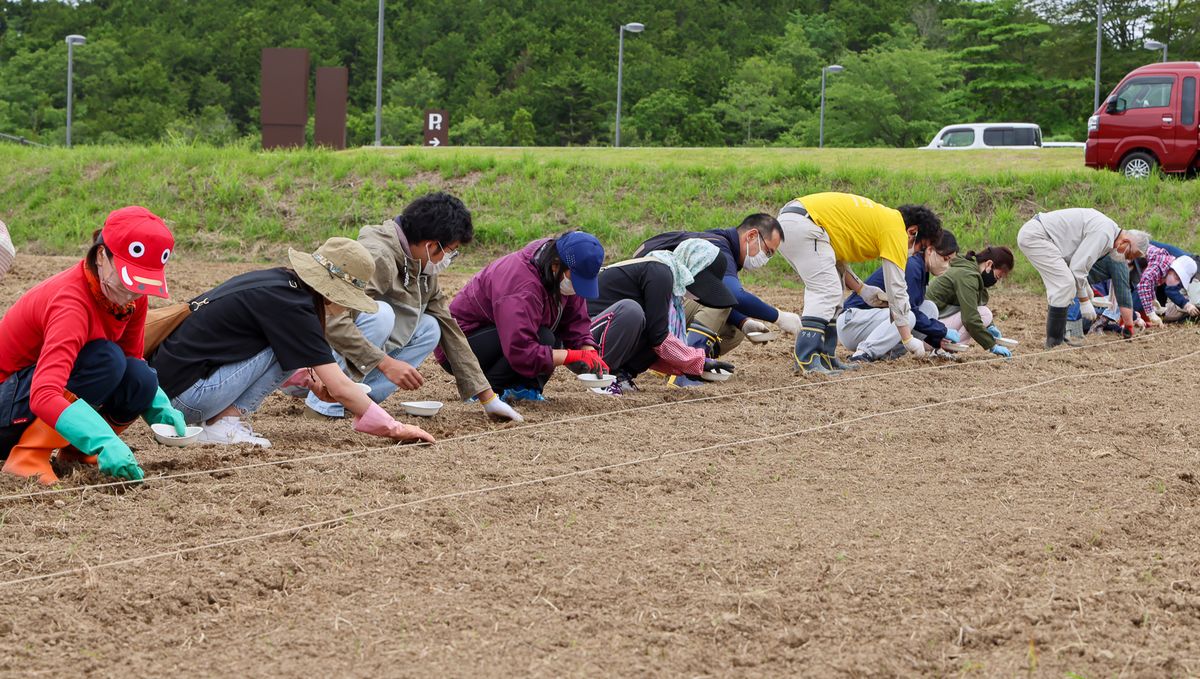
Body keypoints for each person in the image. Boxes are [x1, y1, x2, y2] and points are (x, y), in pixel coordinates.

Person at [150, 237, 434, 448]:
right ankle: (224, 424)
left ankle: (220, 422)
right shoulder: (292, 308)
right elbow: (341, 386)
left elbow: (241, 349)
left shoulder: (280, 284)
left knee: (289, 346)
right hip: (186, 402)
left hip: (168, 394)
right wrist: (394, 427)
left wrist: (310, 382)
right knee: (286, 346)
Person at [0, 206, 185, 484]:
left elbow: (132, 360)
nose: (133, 292)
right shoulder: (71, 304)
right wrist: (103, 440)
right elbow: (44, 393)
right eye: (127, 279)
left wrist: (158, 405)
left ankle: (76, 452)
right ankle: (29, 455)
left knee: (139, 375)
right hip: (7, 408)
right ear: (101, 256)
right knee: (106, 360)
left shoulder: (132, 298)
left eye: (142, 284)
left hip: (28, 402)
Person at [303, 193, 523, 423]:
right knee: (381, 316)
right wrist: (386, 364)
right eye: (450, 250)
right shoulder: (378, 257)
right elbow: (332, 319)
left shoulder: (422, 268)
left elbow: (449, 328)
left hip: (353, 359)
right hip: (313, 364)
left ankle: (356, 402)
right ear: (431, 245)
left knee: (431, 327)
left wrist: (488, 398)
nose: (450, 258)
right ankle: (323, 406)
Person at [776, 192, 944, 375]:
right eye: (921, 247)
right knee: (827, 290)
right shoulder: (895, 230)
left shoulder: (883, 220)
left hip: (797, 220)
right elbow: (897, 288)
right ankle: (806, 360)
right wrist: (907, 339)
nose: (915, 252)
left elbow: (836, 262)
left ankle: (826, 357)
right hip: (805, 224)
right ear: (913, 232)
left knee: (834, 288)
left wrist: (862, 290)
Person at [442, 231, 606, 401]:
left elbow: (575, 319)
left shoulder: (558, 265)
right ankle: (486, 391)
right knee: (544, 337)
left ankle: (525, 388)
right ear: (556, 265)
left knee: (550, 334)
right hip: (459, 345)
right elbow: (519, 349)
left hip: (503, 334)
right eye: (576, 279)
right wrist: (571, 356)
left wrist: (587, 348)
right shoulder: (522, 285)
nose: (576, 287)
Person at [633, 214, 798, 360]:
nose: (766, 259)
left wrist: (743, 322)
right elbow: (732, 295)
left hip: (653, 308)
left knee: (736, 330)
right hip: (644, 313)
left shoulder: (715, 240)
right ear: (752, 236)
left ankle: (680, 361)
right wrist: (779, 317)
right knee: (721, 299)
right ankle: (687, 368)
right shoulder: (718, 247)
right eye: (768, 251)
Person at [586, 238, 737, 393]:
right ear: (694, 267)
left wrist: (692, 368)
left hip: (605, 333)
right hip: (585, 336)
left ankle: (621, 375)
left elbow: (657, 338)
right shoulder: (659, 272)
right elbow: (660, 338)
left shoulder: (666, 277)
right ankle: (602, 378)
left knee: (654, 328)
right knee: (632, 312)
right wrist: (697, 362)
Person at [1016, 208, 1149, 348]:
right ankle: (1055, 341)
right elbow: (1077, 268)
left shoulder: (1108, 234)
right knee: (1065, 283)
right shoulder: (1104, 234)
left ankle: (1057, 339)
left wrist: (1086, 288)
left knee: (1062, 285)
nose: (1126, 259)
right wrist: (1084, 301)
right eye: (1129, 255)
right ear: (1126, 242)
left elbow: (1079, 264)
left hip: (1044, 237)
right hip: (1038, 236)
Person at [838, 230, 960, 362]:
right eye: (945, 259)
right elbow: (908, 311)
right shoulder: (912, 266)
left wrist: (937, 340)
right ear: (930, 250)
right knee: (907, 315)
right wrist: (942, 330)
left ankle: (885, 353)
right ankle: (864, 353)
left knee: (929, 308)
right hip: (852, 322)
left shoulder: (920, 269)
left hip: (872, 323)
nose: (947, 266)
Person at [926, 245, 1015, 357]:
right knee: (984, 314)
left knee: (984, 315)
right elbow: (970, 318)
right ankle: (942, 350)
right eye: (997, 277)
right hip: (927, 334)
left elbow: (971, 304)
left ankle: (942, 348)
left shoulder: (969, 269)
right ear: (989, 264)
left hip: (928, 326)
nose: (995, 281)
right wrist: (992, 345)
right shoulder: (968, 276)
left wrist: (990, 326)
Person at [1134, 245, 1199, 325]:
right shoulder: (1161, 264)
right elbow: (1144, 284)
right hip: (1130, 256)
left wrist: (1152, 299)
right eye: (1177, 278)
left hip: (1137, 262)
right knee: (1136, 304)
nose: (1176, 283)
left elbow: (1151, 280)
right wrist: (1150, 313)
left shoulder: (1169, 268)